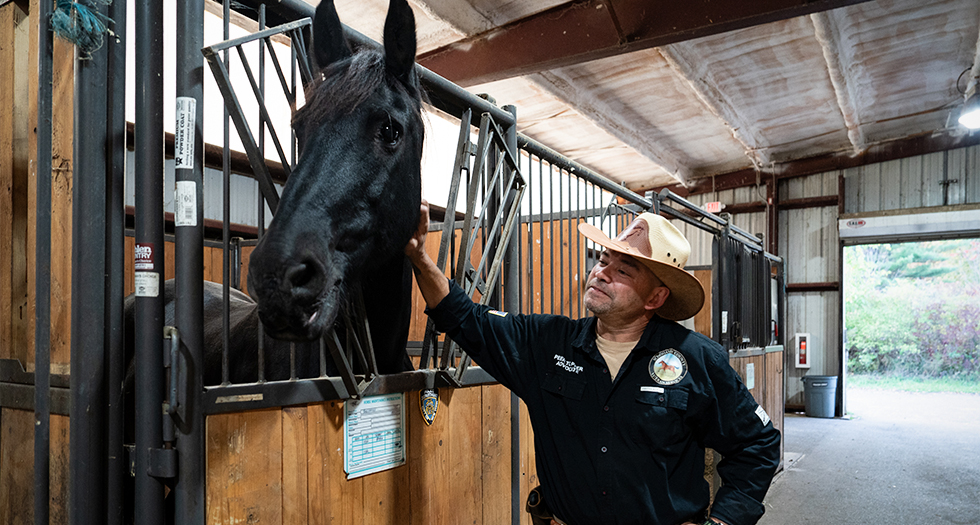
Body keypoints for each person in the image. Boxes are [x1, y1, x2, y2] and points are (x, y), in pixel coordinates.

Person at [405, 202, 780, 525]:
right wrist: (420, 257)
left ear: (656, 296)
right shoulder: (548, 343)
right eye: (603, 260)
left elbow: (758, 445)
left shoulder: (696, 358)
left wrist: (724, 520)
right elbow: (465, 318)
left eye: (623, 270)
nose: (600, 272)